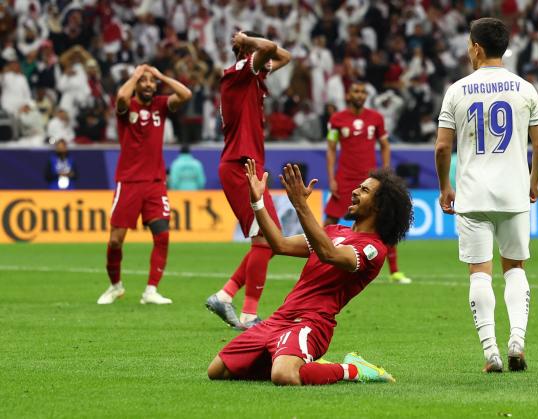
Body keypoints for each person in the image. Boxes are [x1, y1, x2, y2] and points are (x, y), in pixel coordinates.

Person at [207, 159, 413, 385]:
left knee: (284, 376)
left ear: (379, 206)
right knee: (217, 371)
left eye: (364, 190)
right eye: (358, 187)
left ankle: (353, 369)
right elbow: (280, 245)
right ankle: (297, 361)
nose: (355, 191)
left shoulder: (373, 249)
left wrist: (300, 205)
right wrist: (257, 202)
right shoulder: (333, 231)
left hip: (310, 323)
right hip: (280, 318)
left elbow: (329, 254)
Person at [435, 17, 538, 373]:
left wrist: (445, 186)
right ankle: (517, 341)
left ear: (477, 48)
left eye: (469, 45)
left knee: (479, 273)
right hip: (514, 194)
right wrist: (533, 181)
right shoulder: (525, 89)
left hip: (472, 196)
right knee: (514, 268)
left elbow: (442, 147)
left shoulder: (457, 90)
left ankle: (491, 353)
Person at [205, 31, 291, 329]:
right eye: (262, 56)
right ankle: (248, 314)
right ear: (248, 53)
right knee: (267, 238)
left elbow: (284, 56)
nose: (270, 61)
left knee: (271, 239)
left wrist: (254, 46)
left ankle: (225, 296)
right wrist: (245, 39)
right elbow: (270, 47)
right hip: (239, 165)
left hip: (247, 165)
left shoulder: (253, 76)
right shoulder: (239, 72)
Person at [97, 64, 192, 305]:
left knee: (162, 236)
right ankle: (115, 286)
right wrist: (136, 75)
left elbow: (185, 94)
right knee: (115, 240)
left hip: (155, 182)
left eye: (151, 81)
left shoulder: (161, 105)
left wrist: (161, 75)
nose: (149, 84)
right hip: (128, 181)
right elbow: (121, 96)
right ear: (136, 84)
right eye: (144, 81)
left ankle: (151, 290)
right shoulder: (126, 107)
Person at [324, 81, 412, 285]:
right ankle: (315, 255)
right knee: (329, 220)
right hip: (345, 178)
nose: (360, 95)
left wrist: (386, 174)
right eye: (356, 91)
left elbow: (385, 145)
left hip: (369, 180)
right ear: (348, 95)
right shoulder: (337, 119)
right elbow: (331, 148)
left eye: (363, 92)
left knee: (384, 221)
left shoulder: (376, 118)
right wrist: (331, 178)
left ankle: (395, 271)